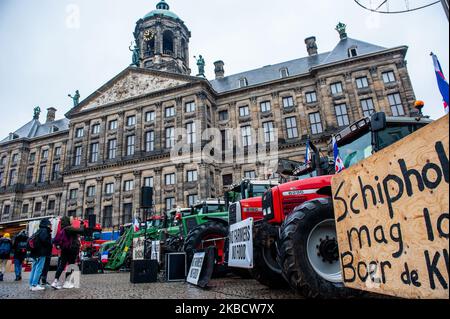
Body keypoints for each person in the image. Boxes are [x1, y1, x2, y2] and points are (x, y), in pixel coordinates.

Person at [51, 216, 85, 289]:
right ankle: (67, 282)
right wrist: (82, 223)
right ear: (67, 221)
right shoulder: (69, 228)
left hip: (64, 249)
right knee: (71, 265)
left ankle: (55, 281)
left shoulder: (62, 229)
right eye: (71, 220)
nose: (72, 221)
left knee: (62, 265)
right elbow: (81, 230)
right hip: (72, 249)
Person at [29, 219, 52, 291]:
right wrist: (50, 244)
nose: (50, 226)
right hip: (41, 253)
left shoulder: (39, 230)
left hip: (35, 252)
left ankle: (31, 284)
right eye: (49, 224)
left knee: (34, 268)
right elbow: (44, 240)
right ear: (46, 224)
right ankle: (35, 284)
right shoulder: (44, 230)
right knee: (39, 268)